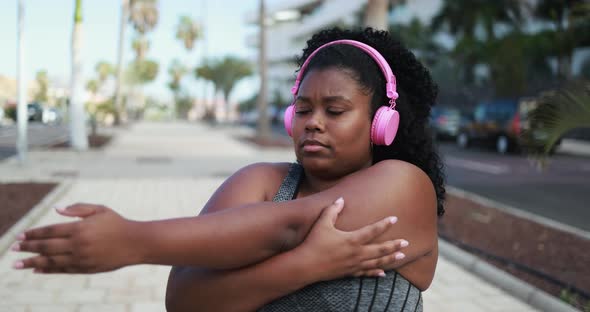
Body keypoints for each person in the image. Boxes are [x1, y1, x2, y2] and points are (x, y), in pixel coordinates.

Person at [13, 27, 445, 311]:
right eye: (303, 108)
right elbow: (185, 300)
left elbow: (290, 227)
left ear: (381, 123)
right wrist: (309, 265)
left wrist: (134, 240)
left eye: (335, 110)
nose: (313, 121)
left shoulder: (406, 186)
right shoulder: (259, 181)